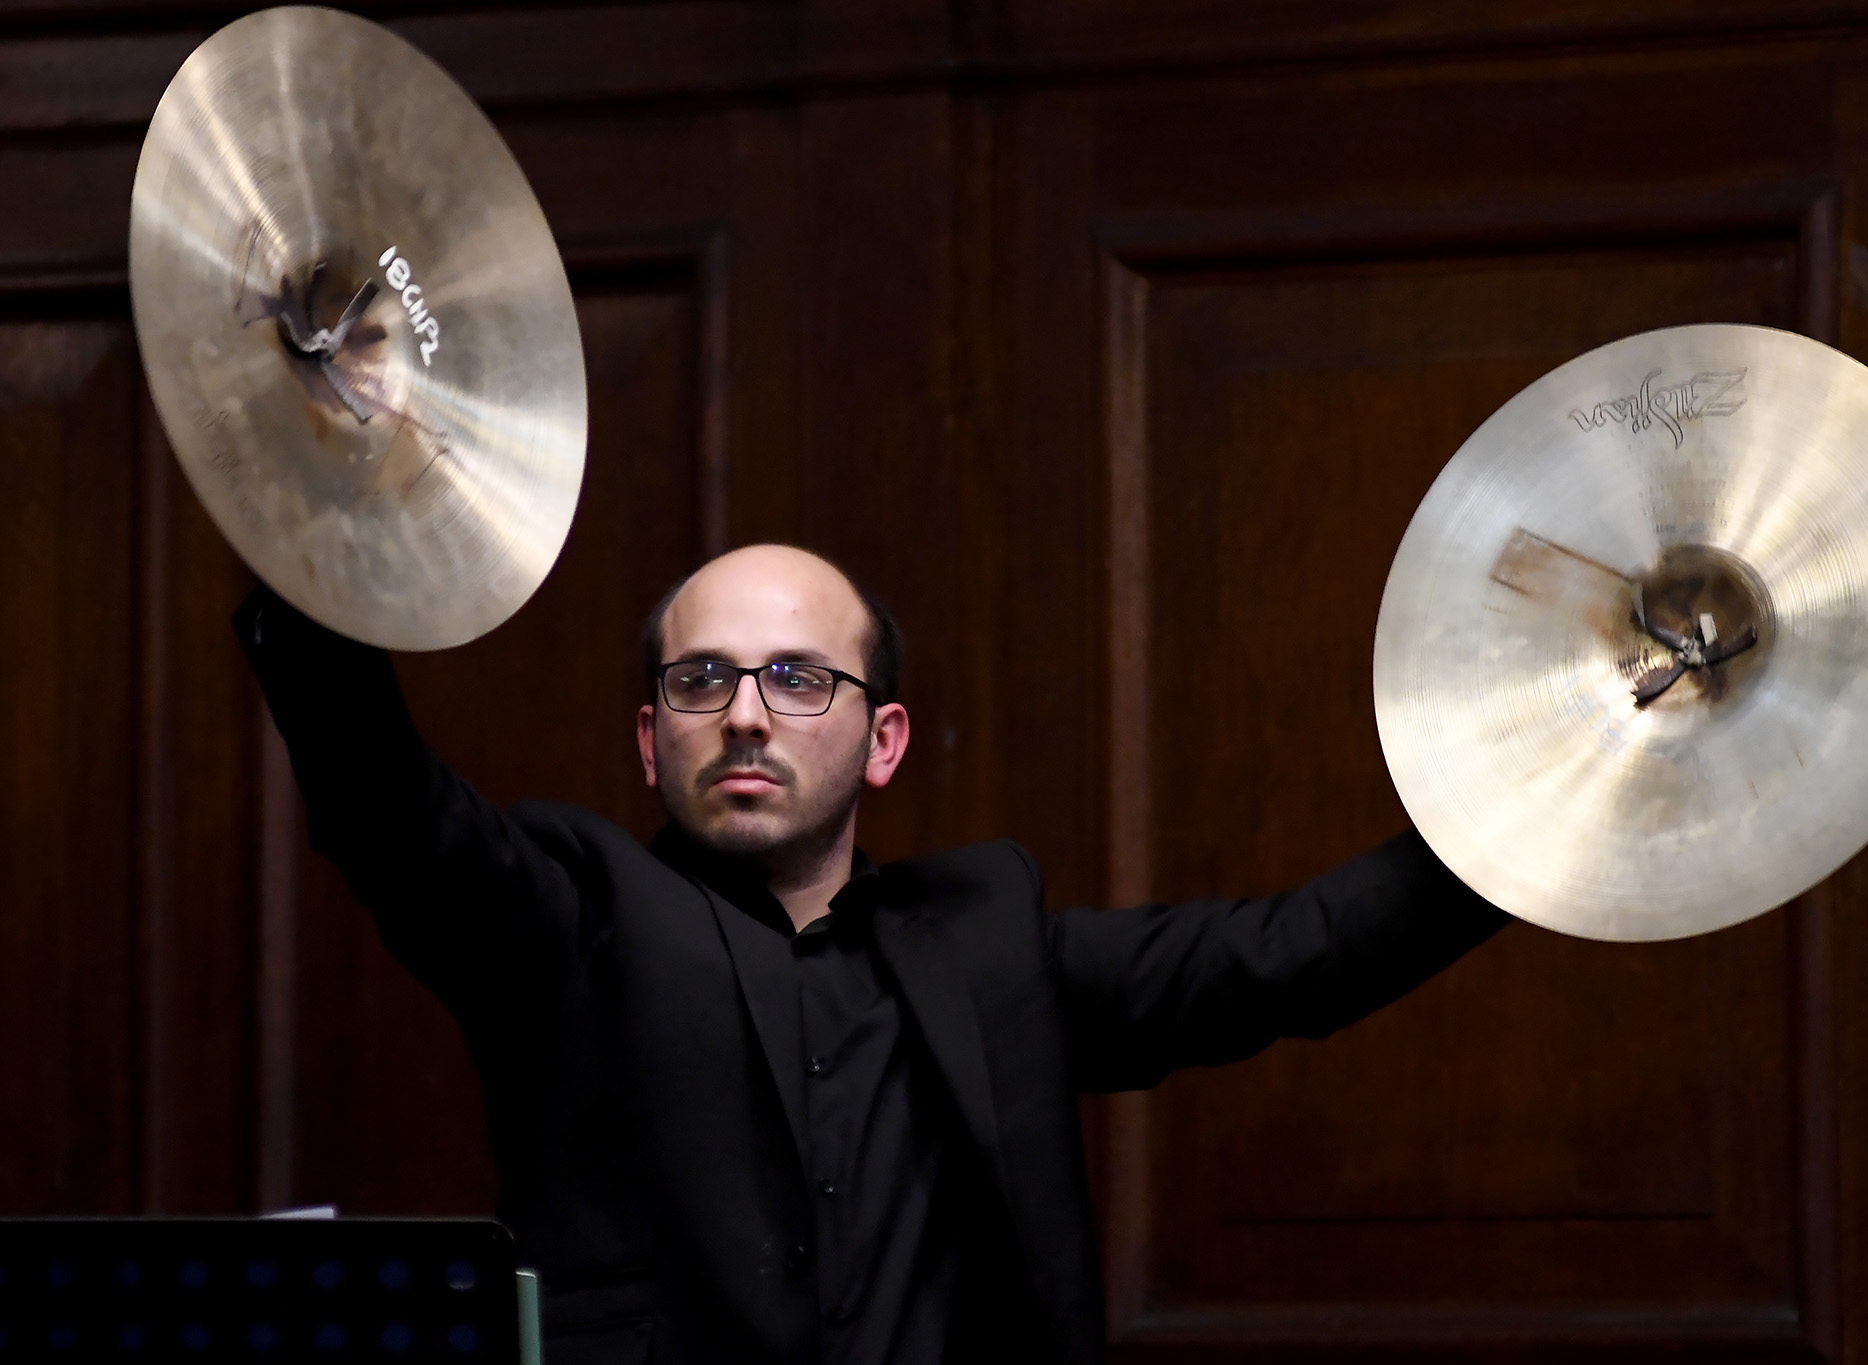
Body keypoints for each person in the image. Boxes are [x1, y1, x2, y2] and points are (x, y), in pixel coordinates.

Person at [235, 543, 1508, 1365]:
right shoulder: (563, 919)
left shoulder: (987, 946)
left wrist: (1551, 811)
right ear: (648, 739)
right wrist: (308, 526)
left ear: (883, 740)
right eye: (700, 681)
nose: (742, 712)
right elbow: (386, 807)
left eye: (796, 678)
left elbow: (1293, 956)